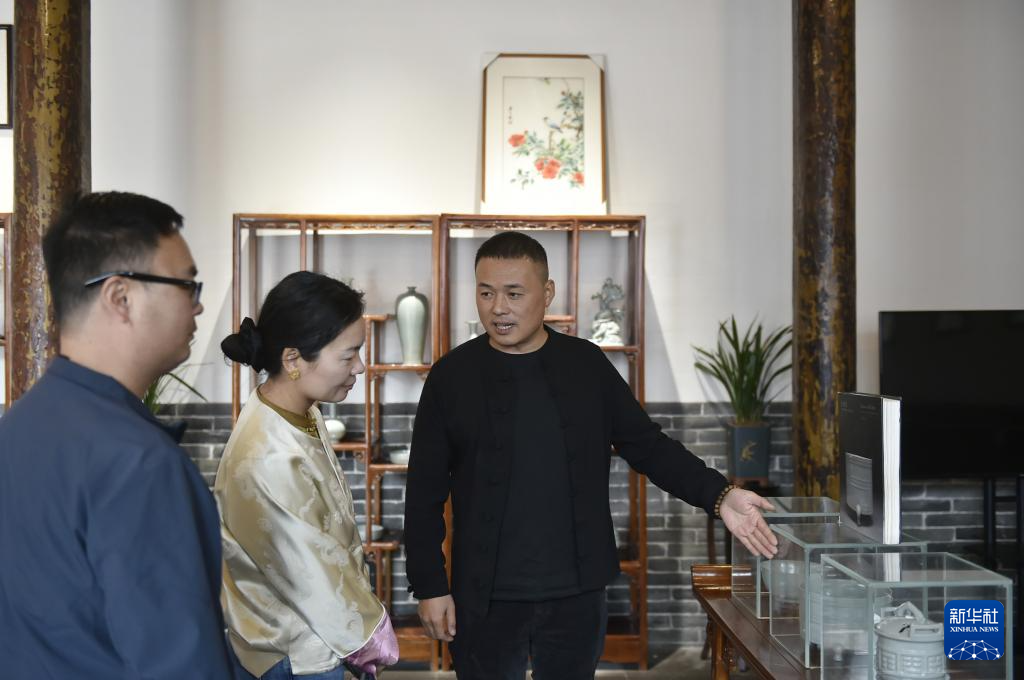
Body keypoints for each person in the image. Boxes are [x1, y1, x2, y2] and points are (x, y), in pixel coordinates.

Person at [404, 231, 779, 679]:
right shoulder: (451, 376)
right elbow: (423, 492)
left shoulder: (585, 364)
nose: (498, 308)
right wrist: (430, 586)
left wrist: (720, 496)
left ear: (547, 293)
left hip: (577, 593)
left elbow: (649, 446)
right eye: (486, 293)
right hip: (481, 596)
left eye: (514, 293)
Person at [0, 192, 232, 678]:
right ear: (120, 297)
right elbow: (179, 664)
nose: (198, 305)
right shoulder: (138, 462)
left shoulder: (16, 429)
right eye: (187, 285)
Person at [217, 271, 398, 680]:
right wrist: (370, 634)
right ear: (293, 360)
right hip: (294, 651)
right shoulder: (267, 455)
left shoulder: (302, 413)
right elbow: (310, 572)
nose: (360, 367)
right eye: (348, 356)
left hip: (316, 639)